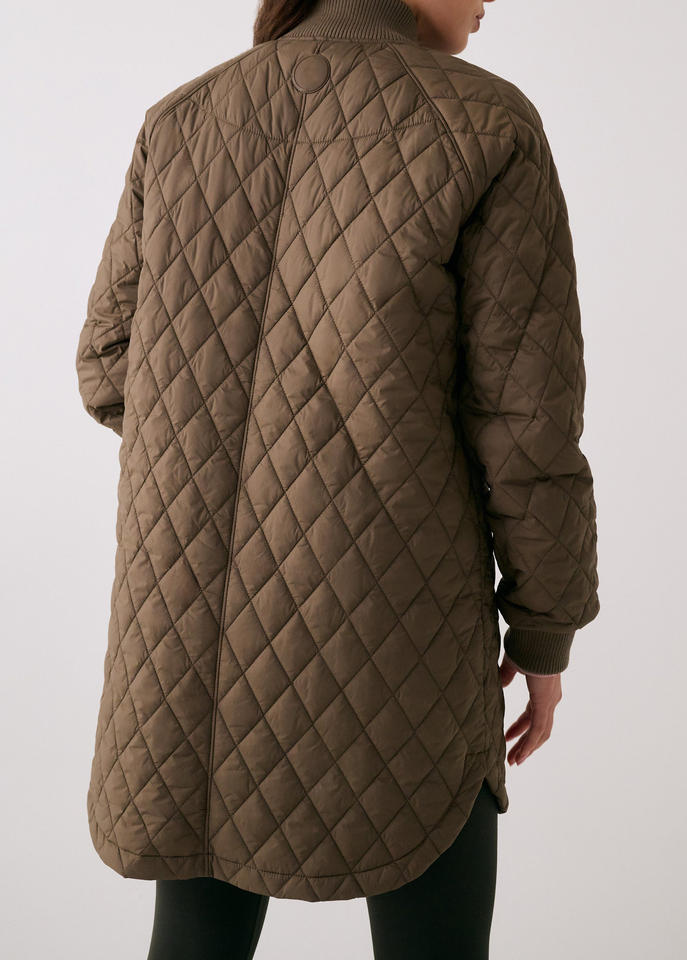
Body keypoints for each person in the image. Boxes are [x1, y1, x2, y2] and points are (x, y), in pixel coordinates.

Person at [75, 0, 600, 957]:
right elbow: (527, 428)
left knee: (192, 936)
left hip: (182, 633)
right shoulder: (486, 124)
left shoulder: (184, 117)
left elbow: (110, 366)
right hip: (398, 630)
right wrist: (544, 630)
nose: (490, 0)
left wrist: (232, 449)